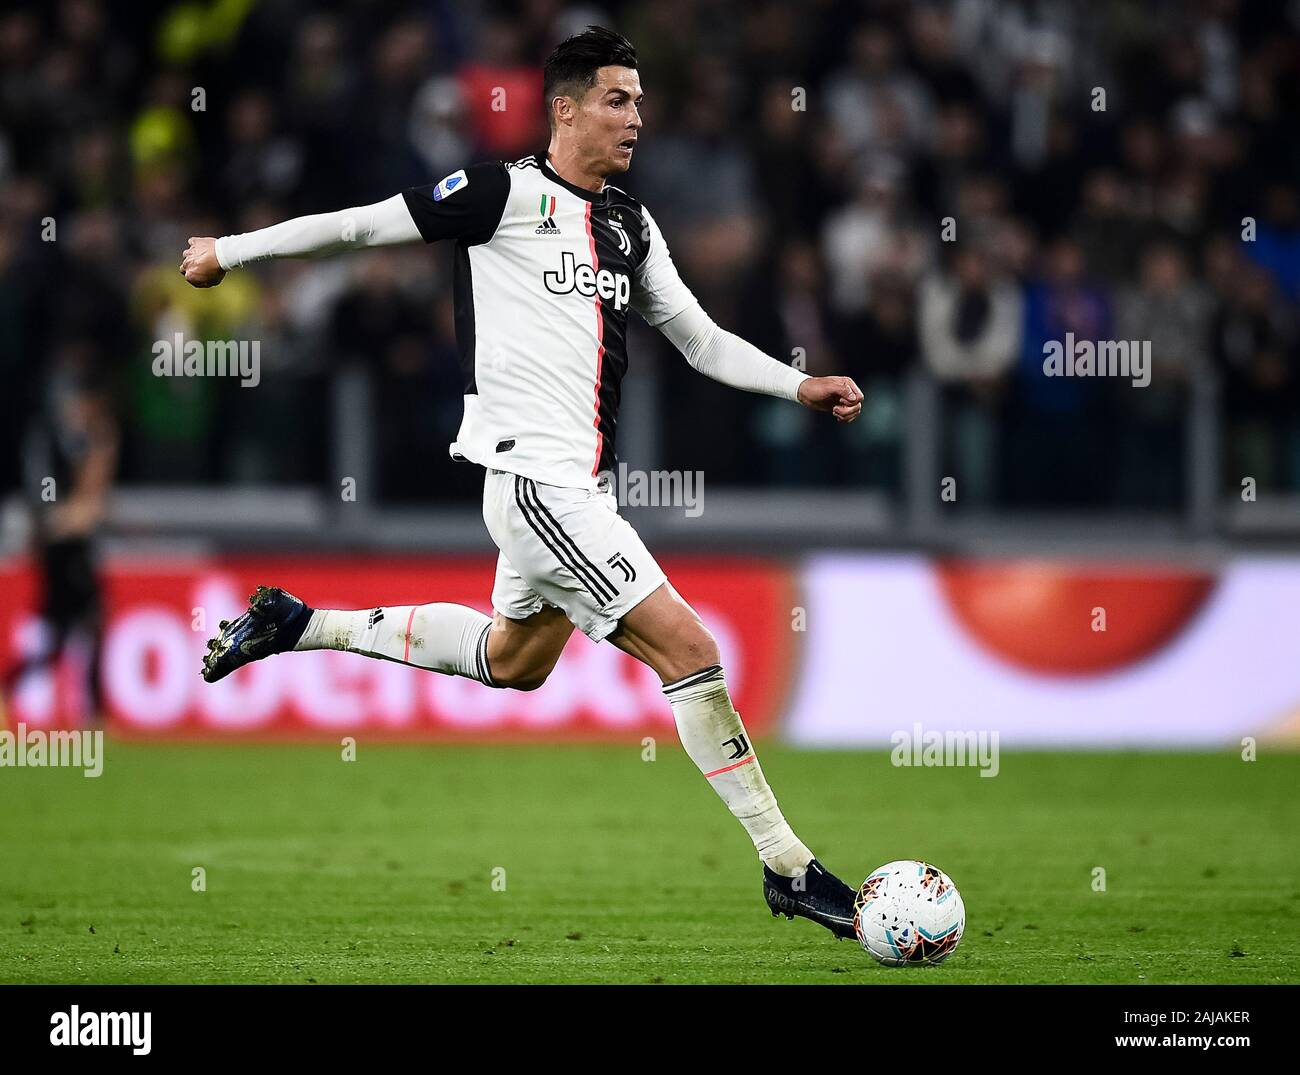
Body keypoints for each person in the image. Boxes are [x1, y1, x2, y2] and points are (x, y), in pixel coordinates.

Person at [180, 26, 864, 940]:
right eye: (618, 100)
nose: (636, 119)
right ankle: (789, 866)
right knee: (692, 651)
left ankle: (302, 623)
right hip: (537, 485)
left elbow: (699, 339)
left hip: (571, 492)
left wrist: (799, 382)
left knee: (516, 662)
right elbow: (356, 226)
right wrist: (230, 248)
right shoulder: (499, 193)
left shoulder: (630, 224)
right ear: (566, 107)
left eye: (641, 102)